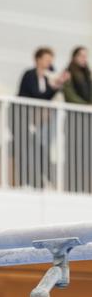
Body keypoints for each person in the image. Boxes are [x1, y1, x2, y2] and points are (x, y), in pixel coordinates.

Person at [13, 48, 69, 189]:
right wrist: (55, 86)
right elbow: (37, 95)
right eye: (46, 59)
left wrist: (57, 83)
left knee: (40, 148)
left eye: (51, 60)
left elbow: (47, 98)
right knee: (25, 148)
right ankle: (26, 181)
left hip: (34, 118)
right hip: (19, 116)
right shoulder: (30, 74)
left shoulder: (47, 77)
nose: (49, 62)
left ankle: (43, 180)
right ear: (38, 59)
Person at [63, 46, 92, 192]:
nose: (84, 58)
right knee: (74, 151)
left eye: (85, 56)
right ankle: (72, 185)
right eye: (81, 55)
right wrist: (85, 106)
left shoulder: (88, 75)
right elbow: (69, 95)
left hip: (87, 121)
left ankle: (85, 186)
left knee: (87, 152)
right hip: (74, 119)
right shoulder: (68, 73)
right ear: (74, 56)